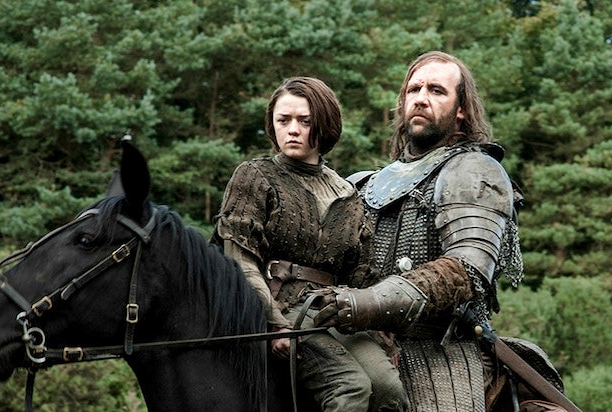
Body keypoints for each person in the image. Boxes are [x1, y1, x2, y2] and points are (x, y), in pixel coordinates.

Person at [313, 51, 542, 411]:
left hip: (436, 353)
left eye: (436, 90)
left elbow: (463, 271)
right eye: (414, 89)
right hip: (356, 343)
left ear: (461, 109)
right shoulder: (361, 184)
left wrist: (366, 303)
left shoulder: (473, 171)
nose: (421, 98)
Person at [212, 76, 407, 411]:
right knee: (350, 387)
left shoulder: (348, 193)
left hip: (336, 313)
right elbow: (239, 259)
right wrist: (274, 323)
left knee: (389, 389)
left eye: (305, 121)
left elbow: (362, 275)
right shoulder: (255, 176)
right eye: (283, 120)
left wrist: (378, 333)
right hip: (280, 307)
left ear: (325, 125)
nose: (292, 130)